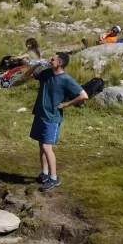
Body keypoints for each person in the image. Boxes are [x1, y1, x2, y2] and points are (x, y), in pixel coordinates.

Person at [31, 52, 88, 192]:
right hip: (40, 115)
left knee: (47, 147)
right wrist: (34, 65)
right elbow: (30, 75)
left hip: (52, 118)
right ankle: (44, 174)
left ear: (60, 63)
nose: (50, 60)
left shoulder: (66, 79)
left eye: (53, 59)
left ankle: (54, 178)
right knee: (41, 145)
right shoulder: (46, 73)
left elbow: (84, 95)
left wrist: (66, 104)